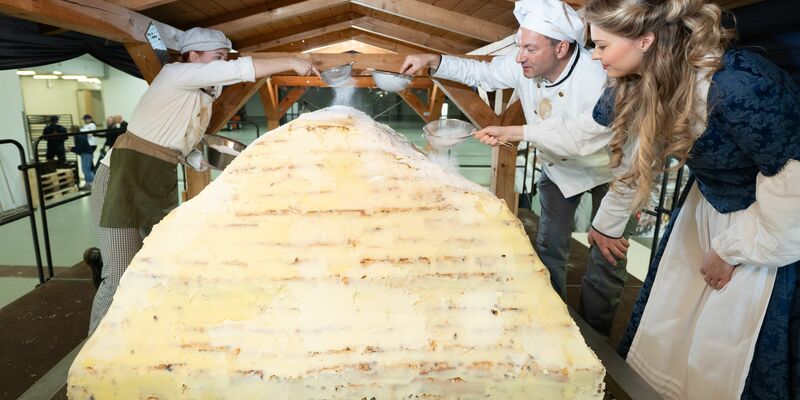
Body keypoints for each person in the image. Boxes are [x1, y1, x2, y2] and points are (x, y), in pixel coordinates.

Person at [584, 0, 800, 398]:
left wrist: (731, 250)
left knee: (723, 345)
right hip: (703, 210)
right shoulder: (640, 78)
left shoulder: (739, 85)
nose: (595, 56)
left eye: (601, 45)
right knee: (672, 327)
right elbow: (637, 158)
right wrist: (605, 224)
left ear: (645, 40)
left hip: (766, 228)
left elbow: (792, 188)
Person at [400, 0, 636, 336]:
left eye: (530, 48)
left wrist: (515, 132)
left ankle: (596, 337)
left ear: (562, 48)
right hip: (558, 170)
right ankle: (552, 325)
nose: (520, 56)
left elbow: (582, 135)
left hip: (612, 171)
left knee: (607, 258)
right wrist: (433, 61)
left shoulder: (601, 74)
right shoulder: (522, 65)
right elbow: (480, 73)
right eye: (519, 47)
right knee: (549, 249)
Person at [87, 27, 320, 334]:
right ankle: (93, 350)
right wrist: (292, 60)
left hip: (154, 184)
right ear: (193, 57)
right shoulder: (175, 74)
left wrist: (227, 163)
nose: (222, 64)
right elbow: (240, 69)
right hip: (120, 182)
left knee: (149, 266)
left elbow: (181, 149)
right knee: (118, 276)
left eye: (224, 58)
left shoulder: (202, 99)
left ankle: (133, 335)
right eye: (217, 58)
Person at [69, 125, 94, 190]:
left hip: (86, 154)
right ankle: (89, 183)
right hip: (87, 153)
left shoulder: (78, 137)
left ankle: (91, 183)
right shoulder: (80, 135)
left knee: (86, 170)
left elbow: (79, 149)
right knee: (86, 169)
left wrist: (71, 149)